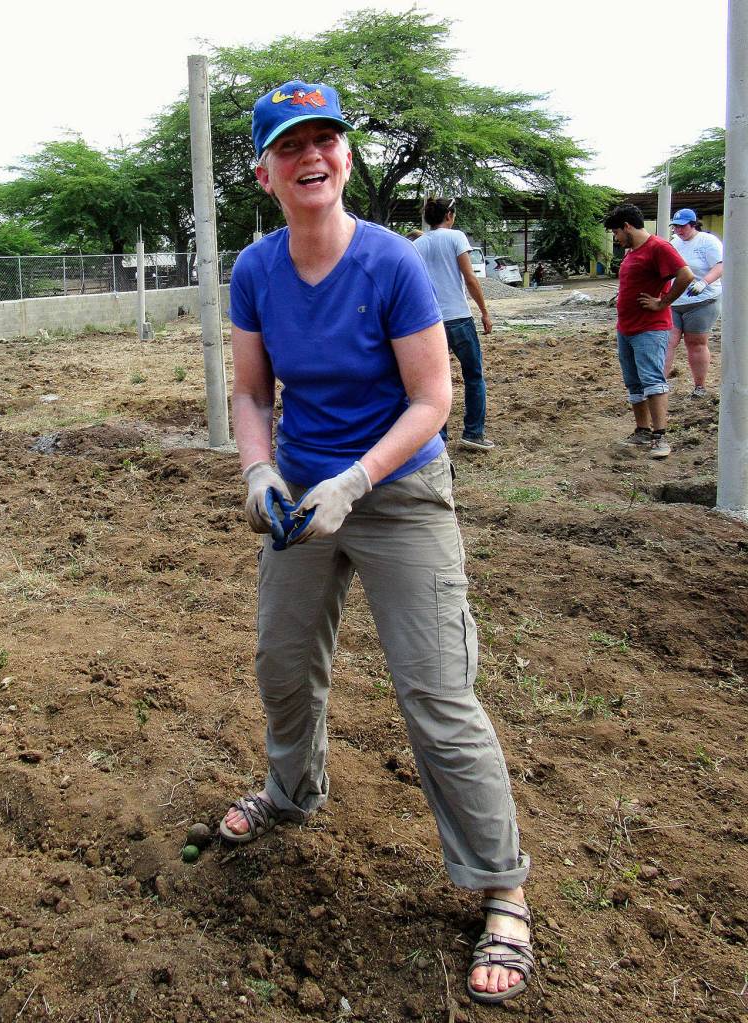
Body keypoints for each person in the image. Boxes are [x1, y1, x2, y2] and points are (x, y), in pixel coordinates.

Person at [221, 79, 534, 1006]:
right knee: (282, 661)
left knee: (437, 690)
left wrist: (357, 480)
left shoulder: (393, 263)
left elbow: (433, 399)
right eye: (290, 145)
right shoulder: (256, 270)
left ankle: (500, 882)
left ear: (346, 158)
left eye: (326, 140)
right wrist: (259, 472)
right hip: (302, 496)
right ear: (266, 171)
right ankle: (291, 791)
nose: (311, 155)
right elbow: (250, 393)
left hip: (396, 492)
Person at [603, 204, 694, 459]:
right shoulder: (633, 252)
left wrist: (663, 302)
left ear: (627, 226)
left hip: (650, 329)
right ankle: (642, 431)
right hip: (627, 328)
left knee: (653, 381)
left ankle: (660, 436)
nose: (616, 239)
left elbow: (686, 275)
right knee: (634, 383)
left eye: (616, 233)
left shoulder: (659, 247)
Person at [413, 199, 495, 450]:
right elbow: (469, 278)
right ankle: (473, 433)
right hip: (459, 318)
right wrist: (484, 311)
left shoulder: (417, 244)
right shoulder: (456, 237)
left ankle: (438, 439)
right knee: (473, 376)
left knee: (434, 382)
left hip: (431, 322)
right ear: (449, 215)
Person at [664, 208, 723, 398]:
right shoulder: (674, 243)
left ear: (692, 224)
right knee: (667, 341)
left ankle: (699, 386)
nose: (679, 231)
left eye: (683, 227)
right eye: (676, 227)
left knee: (695, 342)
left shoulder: (708, 241)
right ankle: (658, 385)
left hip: (702, 300)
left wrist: (704, 282)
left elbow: (720, 265)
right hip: (676, 300)